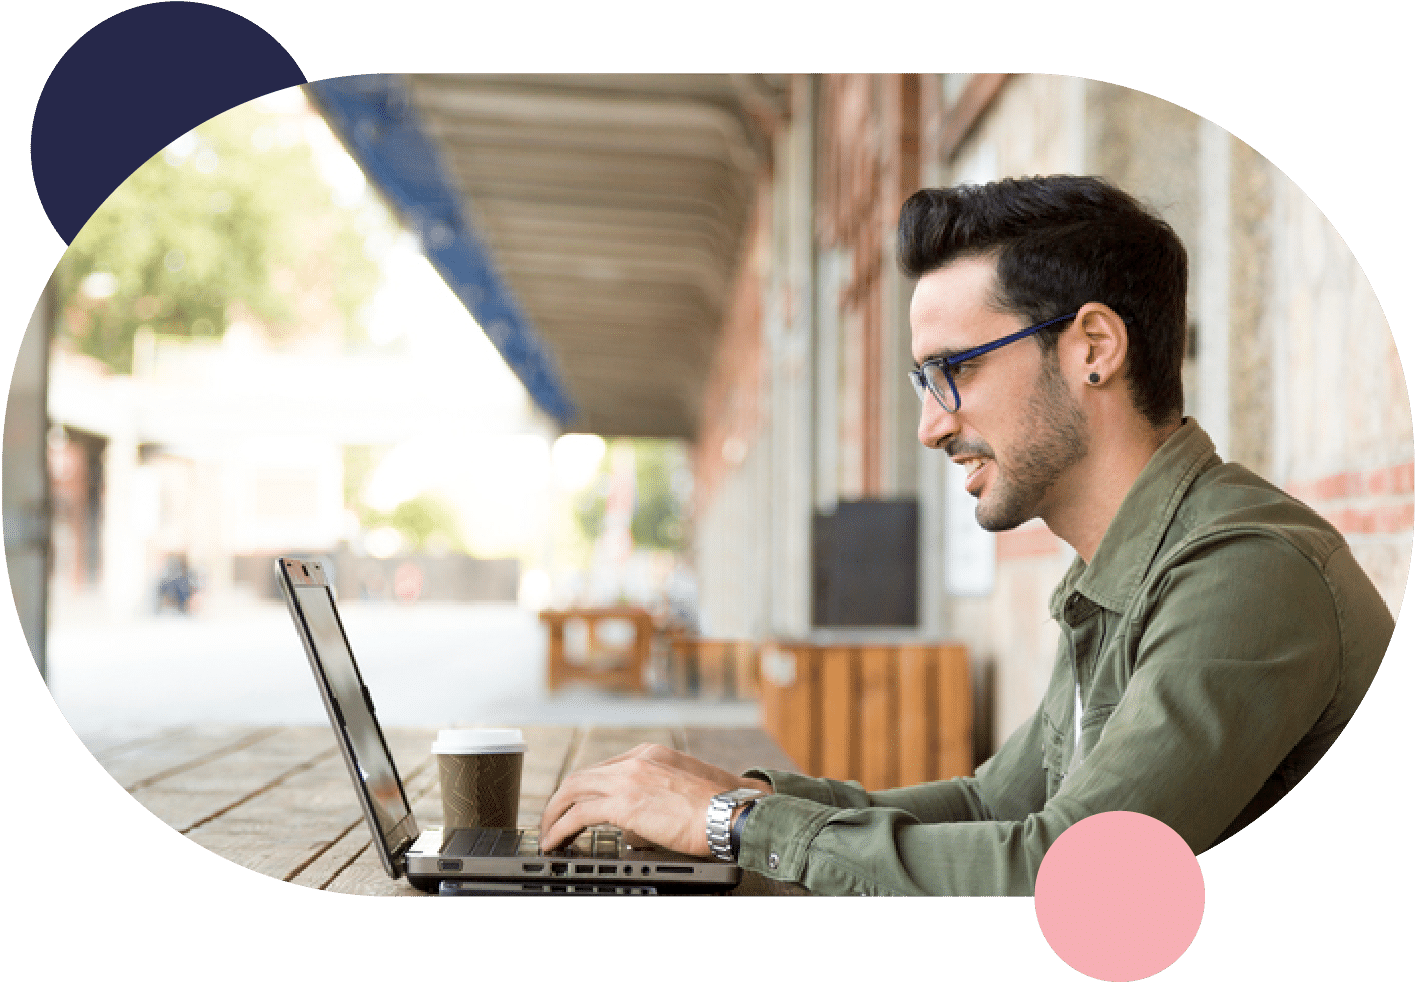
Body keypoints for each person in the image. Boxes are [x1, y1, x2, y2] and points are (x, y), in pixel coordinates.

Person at [538, 175, 1393, 896]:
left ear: (1093, 346)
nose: (930, 427)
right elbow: (993, 809)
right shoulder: (1123, 573)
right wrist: (741, 799)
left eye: (955, 370)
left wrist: (735, 826)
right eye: (922, 380)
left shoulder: (1247, 573)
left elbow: (1067, 877)